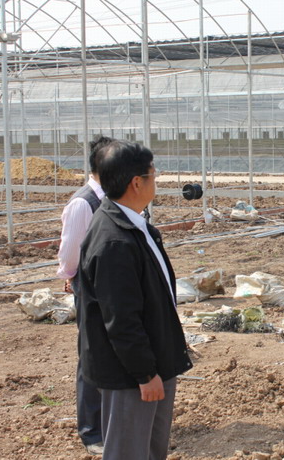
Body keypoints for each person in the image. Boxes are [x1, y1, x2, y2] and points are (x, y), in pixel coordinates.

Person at [78, 140, 192, 460]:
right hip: (130, 376)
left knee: (150, 448)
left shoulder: (133, 225)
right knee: (129, 451)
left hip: (152, 362)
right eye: (153, 175)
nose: (156, 181)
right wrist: (145, 374)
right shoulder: (113, 240)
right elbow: (121, 319)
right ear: (137, 183)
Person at [57, 134, 113, 456]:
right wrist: (71, 276)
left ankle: (111, 421)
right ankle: (92, 431)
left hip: (112, 287)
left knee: (114, 350)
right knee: (93, 354)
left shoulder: (114, 197)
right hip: (92, 290)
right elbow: (70, 253)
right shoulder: (83, 203)